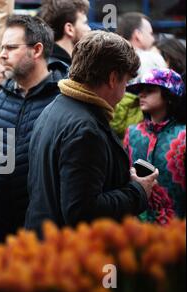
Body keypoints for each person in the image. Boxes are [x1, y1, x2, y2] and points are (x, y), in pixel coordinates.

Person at [25, 31, 159, 236]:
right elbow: (82, 211)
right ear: (113, 78)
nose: (125, 92)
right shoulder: (86, 129)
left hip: (48, 247)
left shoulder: (55, 108)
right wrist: (138, 191)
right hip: (73, 256)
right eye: (126, 83)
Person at [0, 15, 64, 245]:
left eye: (11, 48)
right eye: (1, 48)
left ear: (37, 50)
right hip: (1, 237)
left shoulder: (64, 101)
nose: (2, 55)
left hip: (50, 237)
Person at [123, 68, 185, 224]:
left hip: (177, 230)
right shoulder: (132, 133)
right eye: (140, 91)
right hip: (137, 228)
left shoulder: (183, 135)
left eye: (150, 90)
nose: (141, 95)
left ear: (168, 96)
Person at [39, 0, 91, 66]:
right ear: (69, 29)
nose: (89, 29)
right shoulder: (62, 71)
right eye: (85, 23)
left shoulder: (46, 63)